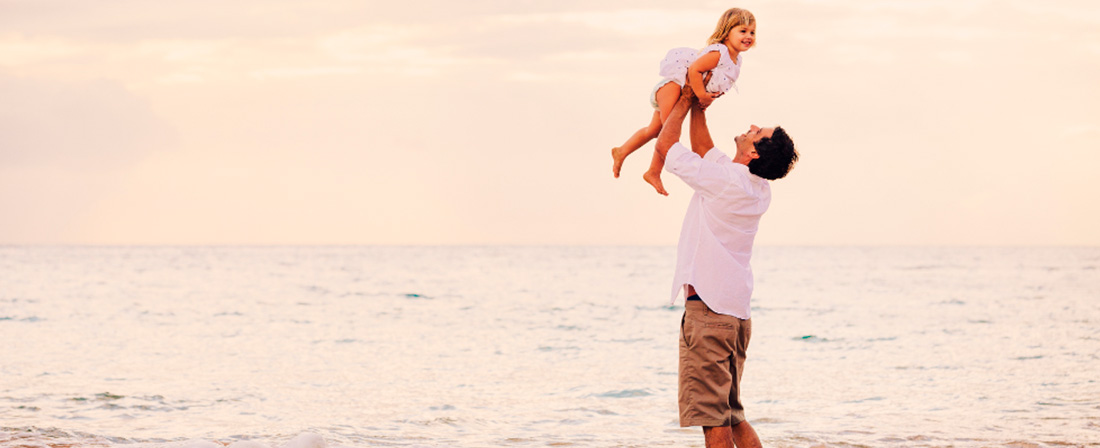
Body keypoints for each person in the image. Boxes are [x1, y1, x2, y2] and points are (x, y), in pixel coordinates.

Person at [652, 81, 798, 448]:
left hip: (710, 314)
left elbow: (667, 149)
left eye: (756, 132)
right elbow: (703, 148)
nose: (751, 126)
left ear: (752, 153)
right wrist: (702, 106)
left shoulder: (726, 181)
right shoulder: (755, 186)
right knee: (732, 415)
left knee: (713, 419)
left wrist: (685, 100)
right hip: (735, 317)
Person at [611, 7, 758, 196]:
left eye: (752, 32)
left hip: (678, 91)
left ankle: (621, 151)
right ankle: (653, 171)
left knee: (654, 130)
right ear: (727, 33)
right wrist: (701, 95)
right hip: (673, 86)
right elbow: (694, 70)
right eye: (742, 31)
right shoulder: (719, 53)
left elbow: (715, 84)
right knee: (669, 133)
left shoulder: (736, 61)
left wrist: (708, 99)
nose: (749, 36)